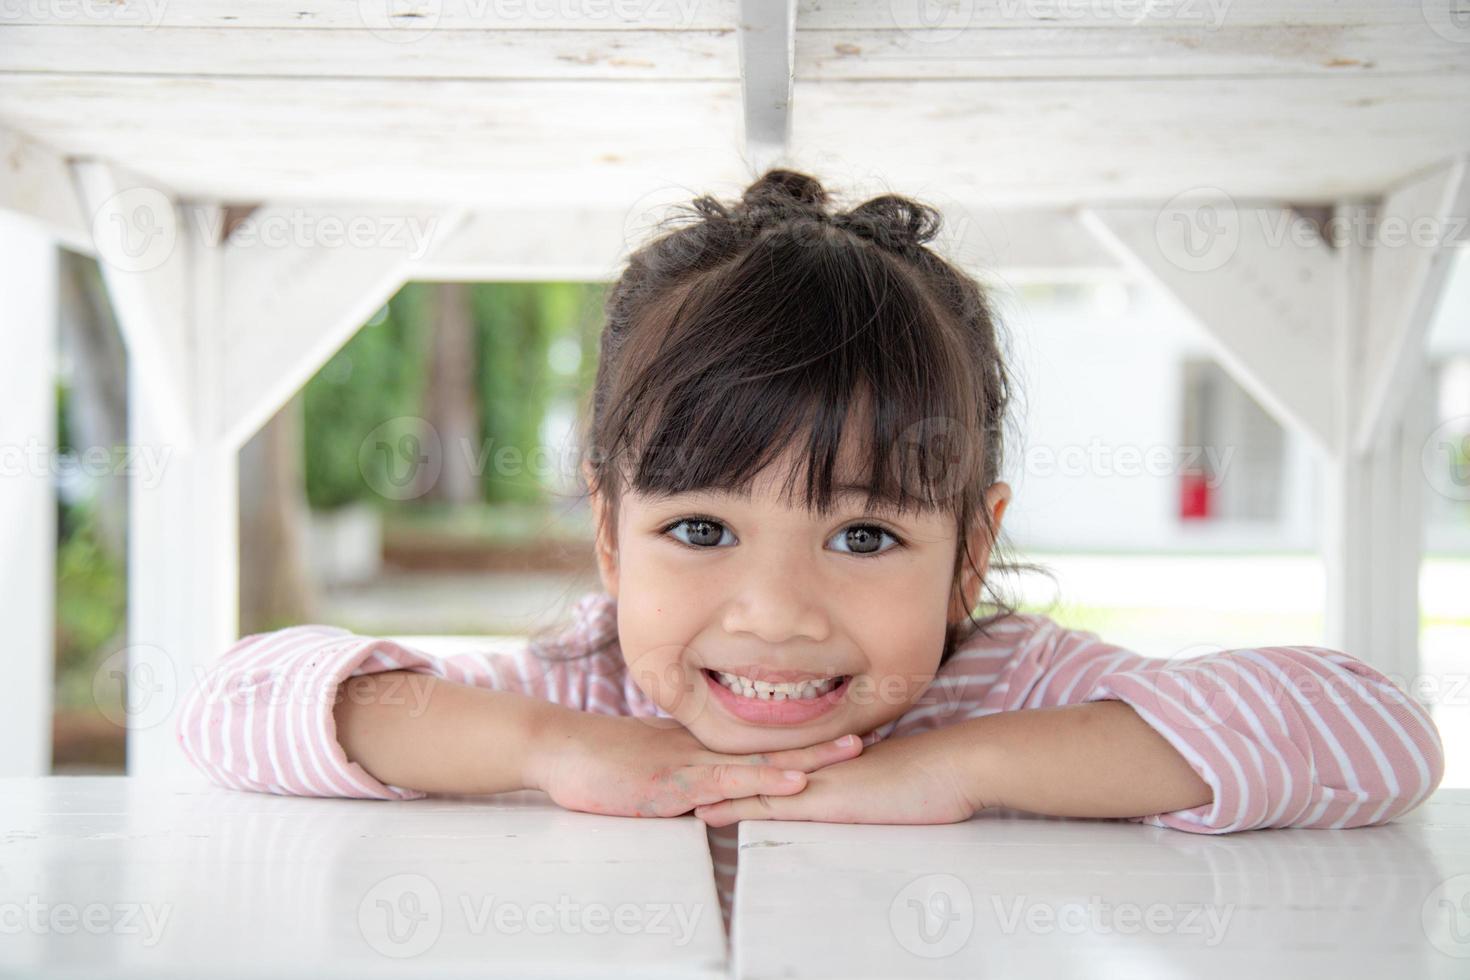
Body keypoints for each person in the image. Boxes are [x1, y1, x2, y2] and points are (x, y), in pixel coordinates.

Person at [176, 169, 1446, 935]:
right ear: (611, 536)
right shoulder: (587, 694)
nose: (775, 610)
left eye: (864, 532)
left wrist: (959, 767)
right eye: (699, 528)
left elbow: (1380, 732)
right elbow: (230, 706)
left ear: (970, 552)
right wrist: (540, 747)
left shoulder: (1010, 688)